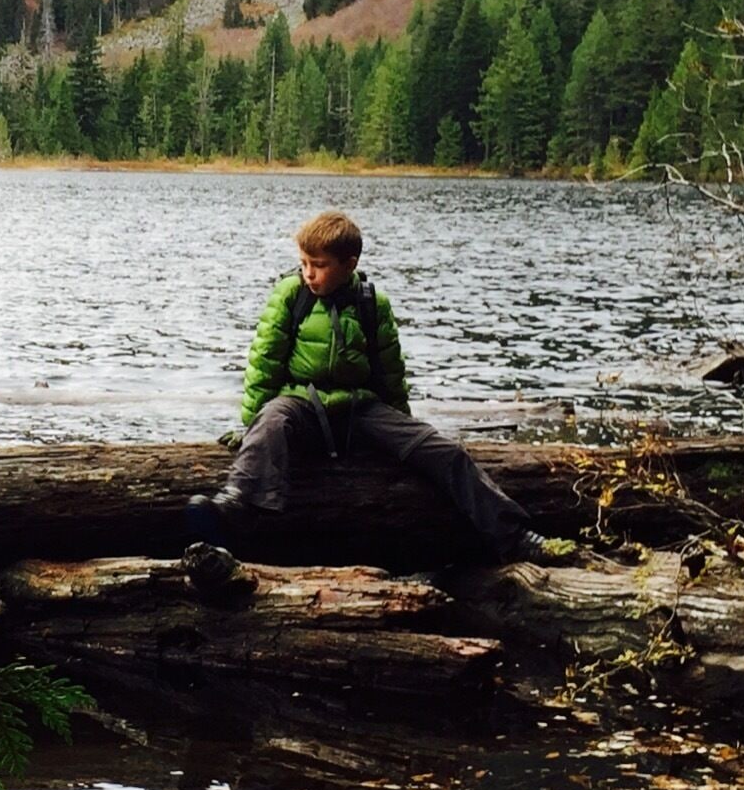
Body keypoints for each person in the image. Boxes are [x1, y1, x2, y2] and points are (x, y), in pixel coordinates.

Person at [185, 210, 574, 571]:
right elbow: (264, 363)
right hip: (301, 404)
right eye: (304, 263)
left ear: (349, 264)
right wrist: (250, 424)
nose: (308, 273)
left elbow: (390, 372)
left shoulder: (372, 304)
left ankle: (515, 536)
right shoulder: (291, 295)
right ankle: (234, 507)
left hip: (361, 410)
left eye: (319, 265)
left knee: (445, 452)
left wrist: (404, 434)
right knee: (272, 420)